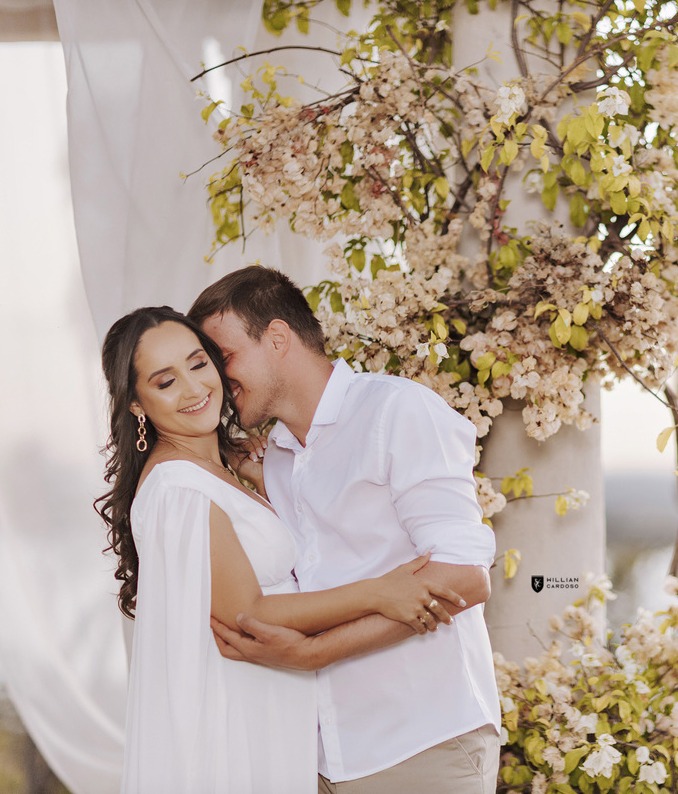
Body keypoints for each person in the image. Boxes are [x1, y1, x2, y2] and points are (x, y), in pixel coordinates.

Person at [97, 307, 466, 794]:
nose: (193, 389)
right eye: (166, 382)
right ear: (137, 405)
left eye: (199, 364)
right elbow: (248, 612)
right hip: (238, 723)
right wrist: (378, 593)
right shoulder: (178, 488)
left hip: (290, 723)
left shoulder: (224, 469)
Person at [188, 266, 502, 794]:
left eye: (223, 358)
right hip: (324, 758)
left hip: (423, 744)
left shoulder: (396, 410)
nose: (216, 378)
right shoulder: (280, 457)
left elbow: (466, 577)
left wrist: (312, 653)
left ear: (278, 338)